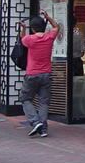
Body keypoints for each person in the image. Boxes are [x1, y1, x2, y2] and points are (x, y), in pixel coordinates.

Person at [19, 10, 59, 138]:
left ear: (33, 29)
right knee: (44, 102)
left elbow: (22, 39)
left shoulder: (30, 39)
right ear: (44, 27)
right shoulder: (49, 37)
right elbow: (56, 27)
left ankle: (36, 122)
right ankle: (43, 129)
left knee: (25, 98)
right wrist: (48, 17)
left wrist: (23, 28)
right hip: (46, 73)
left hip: (32, 73)